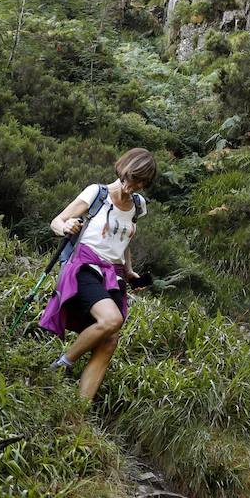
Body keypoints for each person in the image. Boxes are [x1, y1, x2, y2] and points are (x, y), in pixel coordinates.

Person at [38, 148, 157, 401]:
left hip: (114, 276)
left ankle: (79, 408)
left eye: (142, 183)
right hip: (85, 266)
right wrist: (65, 226)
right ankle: (63, 364)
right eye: (134, 179)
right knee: (112, 320)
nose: (136, 186)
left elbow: (124, 240)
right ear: (124, 170)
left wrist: (129, 271)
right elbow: (57, 221)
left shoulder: (138, 206)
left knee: (109, 342)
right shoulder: (97, 193)